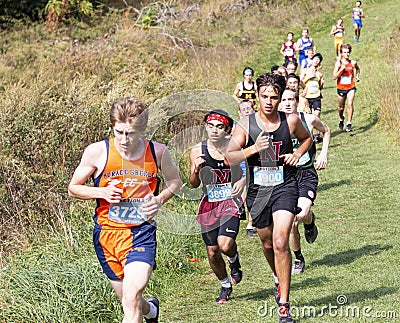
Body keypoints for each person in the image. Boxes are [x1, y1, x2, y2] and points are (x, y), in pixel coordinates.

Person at [68, 97, 182, 323]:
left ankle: (144, 310)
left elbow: (175, 181)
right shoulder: (97, 152)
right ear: (113, 127)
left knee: (130, 298)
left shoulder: (157, 152)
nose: (124, 139)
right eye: (119, 132)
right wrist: (101, 193)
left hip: (141, 233)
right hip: (107, 235)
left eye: (130, 133)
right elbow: (73, 188)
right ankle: (152, 311)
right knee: (130, 299)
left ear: (142, 130)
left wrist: (159, 199)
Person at [226, 73, 313, 323]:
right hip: (258, 192)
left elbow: (307, 138)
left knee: (280, 241)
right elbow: (229, 156)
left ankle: (284, 307)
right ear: (257, 97)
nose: (269, 102)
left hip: (285, 186)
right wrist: (254, 148)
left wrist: (297, 153)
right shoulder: (246, 124)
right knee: (266, 243)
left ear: (279, 98)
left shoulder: (291, 120)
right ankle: (278, 277)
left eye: (274, 97)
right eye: (264, 96)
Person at [189, 110, 245, 304]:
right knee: (212, 251)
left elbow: (251, 169)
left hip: (231, 200)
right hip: (209, 203)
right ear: (205, 127)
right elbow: (193, 183)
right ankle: (225, 285)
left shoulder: (235, 147)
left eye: (219, 127)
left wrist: (243, 181)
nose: (214, 131)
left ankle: (234, 259)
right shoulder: (197, 150)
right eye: (211, 126)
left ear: (227, 130)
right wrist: (196, 170)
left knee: (225, 244)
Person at [279, 88, 331, 274]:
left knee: (302, 215)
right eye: (283, 99)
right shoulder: (275, 125)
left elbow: (326, 131)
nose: (287, 103)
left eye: (290, 99)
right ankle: (298, 258)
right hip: (286, 177)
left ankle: (309, 222)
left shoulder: (308, 119)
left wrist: (323, 154)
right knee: (292, 222)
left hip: (306, 174)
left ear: (297, 101)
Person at [237, 100, 257, 238]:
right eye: (244, 109)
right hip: (238, 165)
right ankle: (240, 208)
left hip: (254, 164)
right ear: (239, 113)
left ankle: (250, 224)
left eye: (249, 108)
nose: (247, 111)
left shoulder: (259, 125)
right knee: (241, 193)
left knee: (250, 193)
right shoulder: (235, 127)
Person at [332, 43, 360, 132]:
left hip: (351, 86)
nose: (347, 54)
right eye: (344, 52)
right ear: (341, 53)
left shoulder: (353, 62)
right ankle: (341, 118)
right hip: (341, 88)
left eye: (348, 52)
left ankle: (349, 123)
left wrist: (357, 76)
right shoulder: (338, 63)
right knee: (341, 107)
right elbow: (334, 77)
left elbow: (358, 69)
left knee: (350, 103)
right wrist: (341, 69)